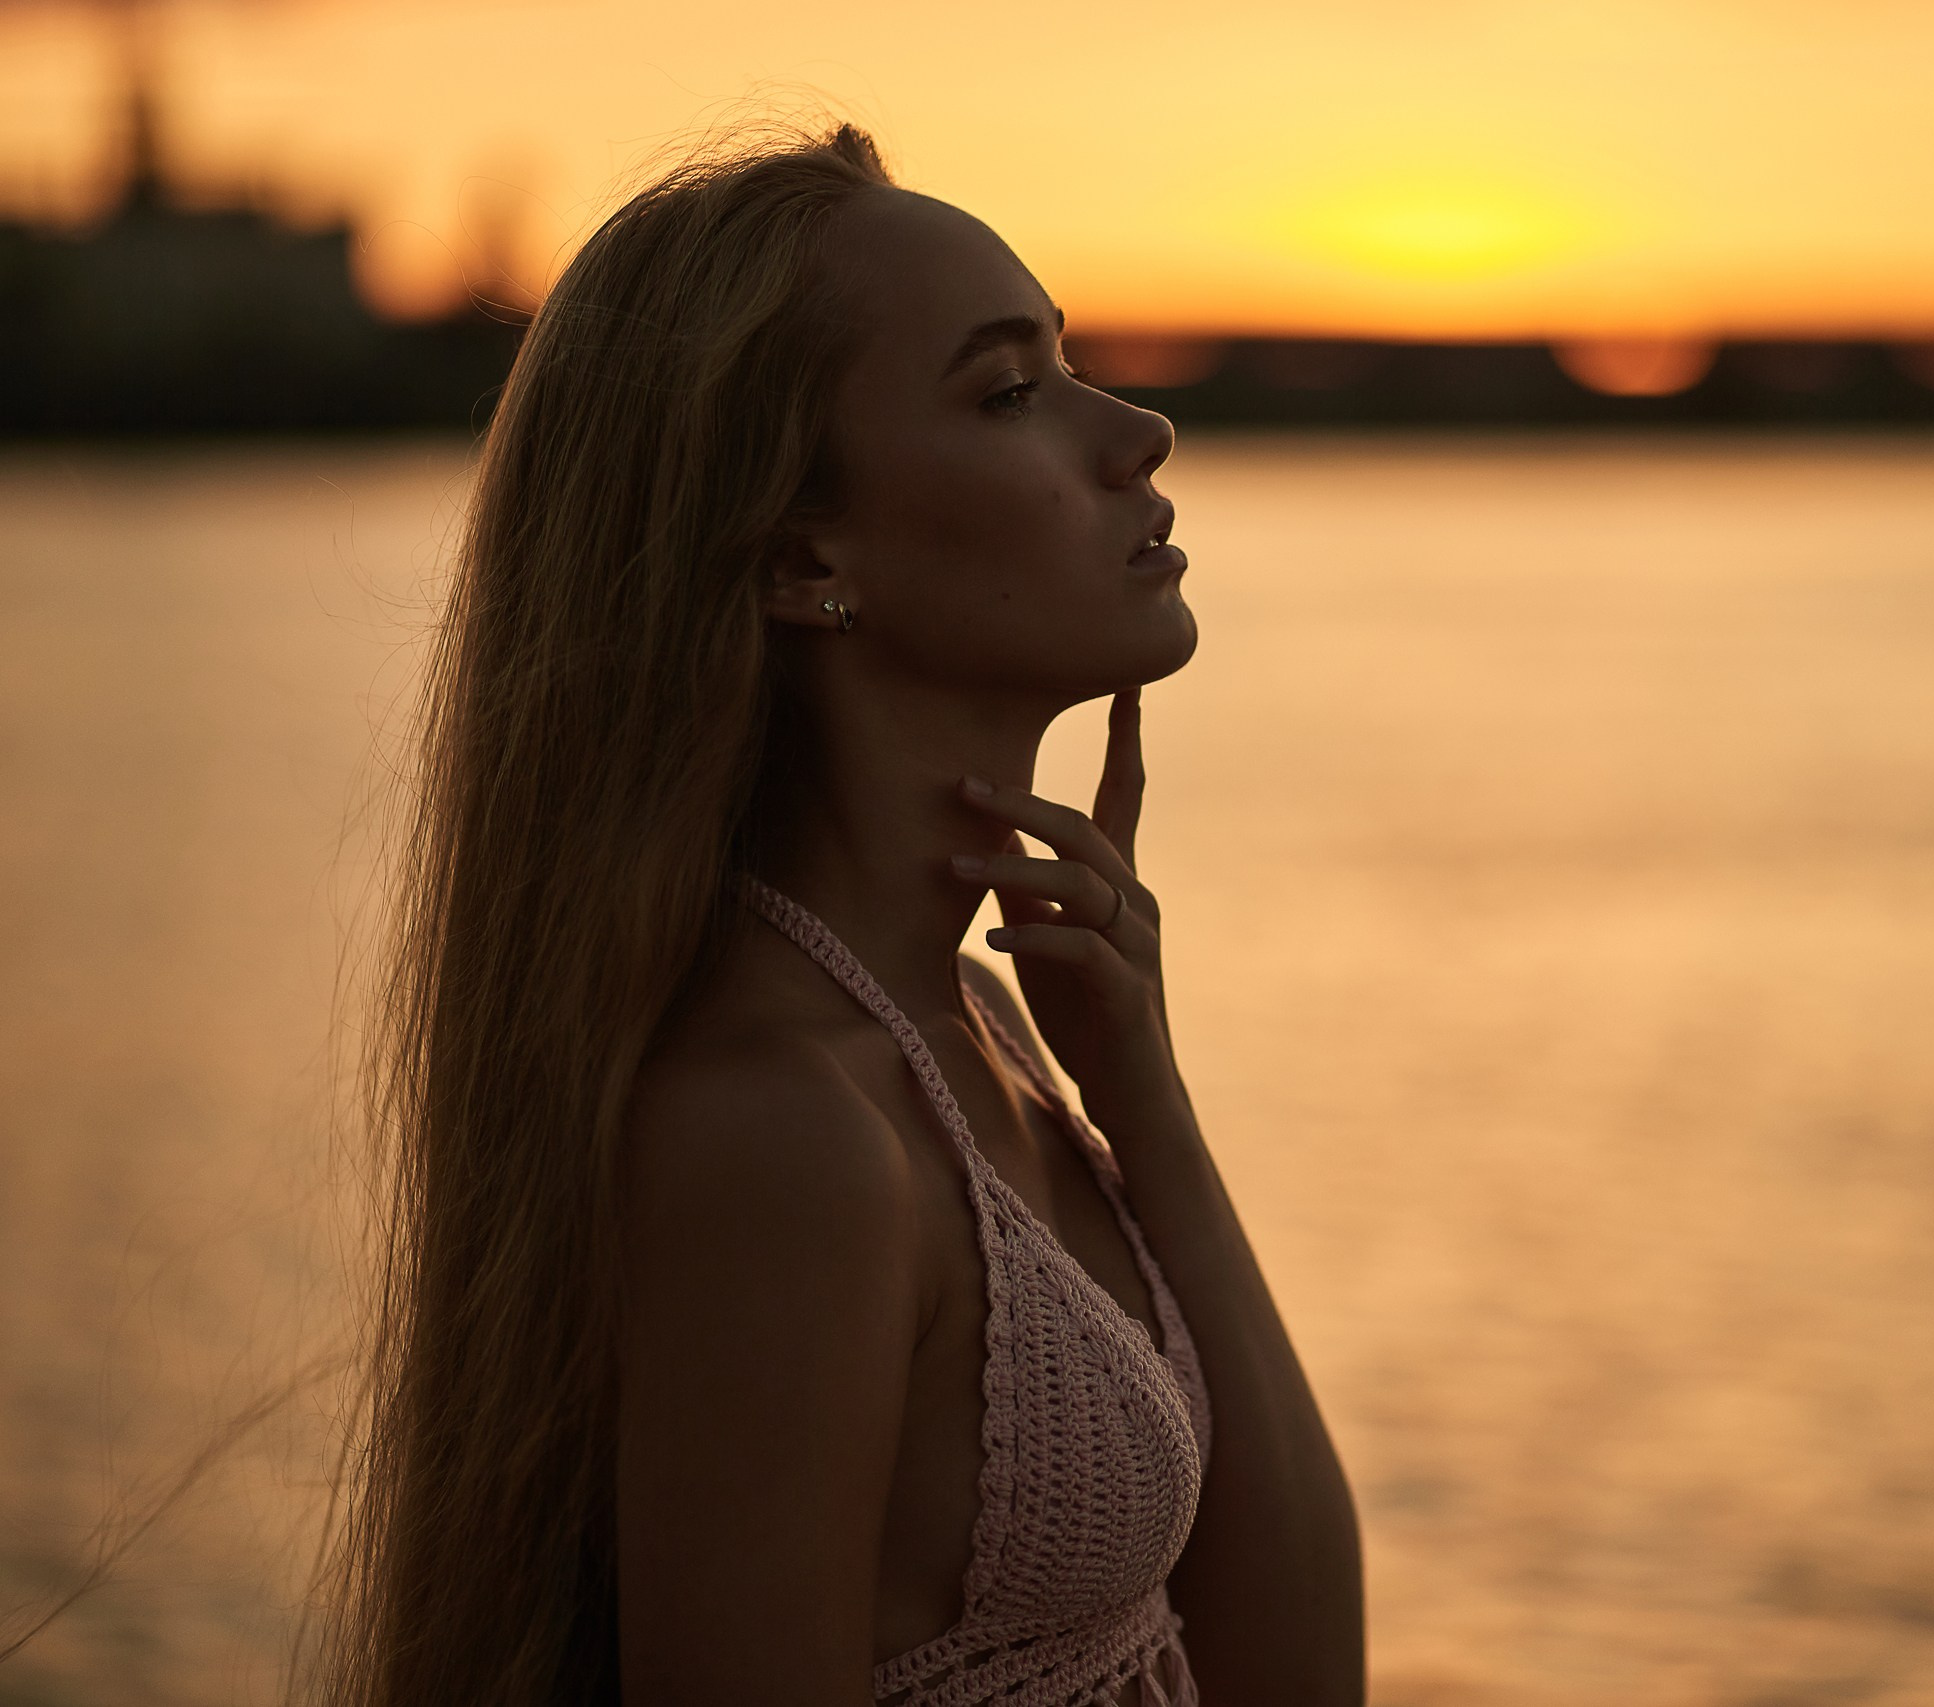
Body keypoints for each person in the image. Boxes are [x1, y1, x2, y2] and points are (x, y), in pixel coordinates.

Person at [314, 121, 1364, 1707]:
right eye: (1010, 392)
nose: (1137, 429)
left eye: (1068, 365)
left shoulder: (981, 1035)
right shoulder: (781, 1135)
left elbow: (1294, 1675)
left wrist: (1149, 1100)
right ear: (805, 551)